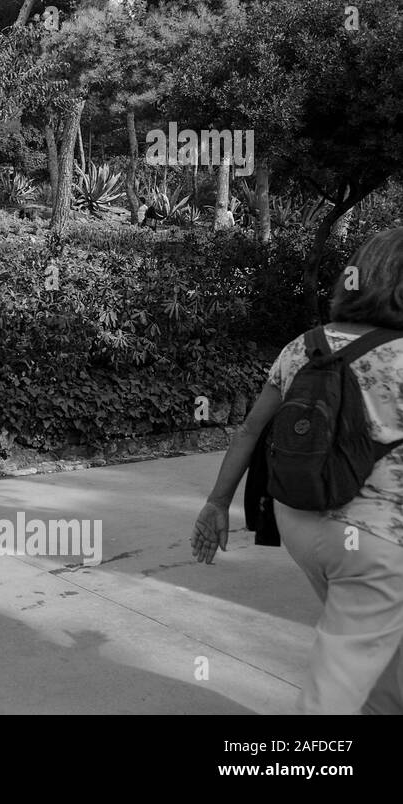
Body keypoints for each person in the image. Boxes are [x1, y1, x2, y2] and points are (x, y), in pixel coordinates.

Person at [191, 227, 403, 713]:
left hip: (300, 522)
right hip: (376, 541)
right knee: (342, 680)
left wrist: (217, 502)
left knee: (376, 643)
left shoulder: (304, 345)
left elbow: (249, 432)